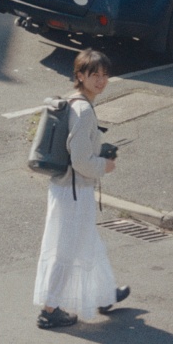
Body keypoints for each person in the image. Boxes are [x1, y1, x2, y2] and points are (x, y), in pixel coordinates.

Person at [34, 49, 130, 329]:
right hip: (73, 191)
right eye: (94, 75)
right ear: (80, 76)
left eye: (104, 75)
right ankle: (49, 310)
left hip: (66, 188)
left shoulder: (73, 100)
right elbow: (79, 159)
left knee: (87, 240)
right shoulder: (84, 110)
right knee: (66, 248)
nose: (101, 80)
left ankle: (104, 293)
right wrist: (104, 166)